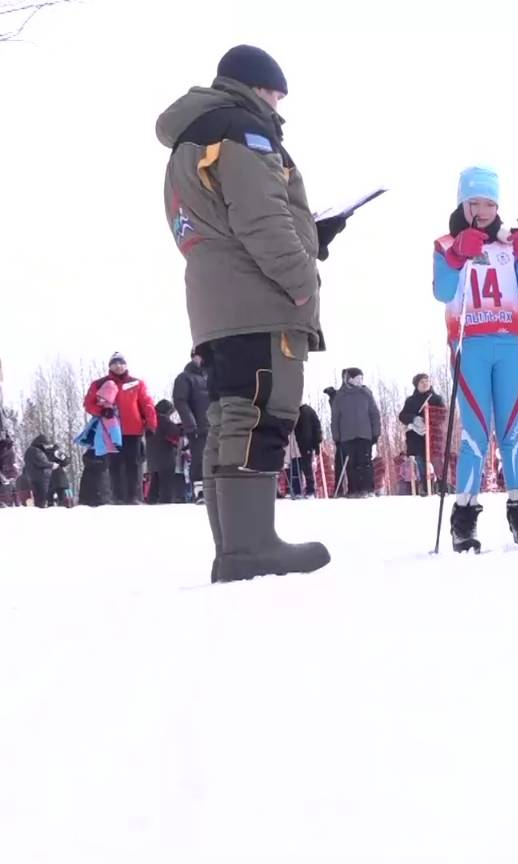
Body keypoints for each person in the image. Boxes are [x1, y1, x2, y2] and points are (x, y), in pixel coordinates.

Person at [157, 44, 340, 581]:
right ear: (254, 88)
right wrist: (304, 282)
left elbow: (222, 219)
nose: (278, 106)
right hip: (259, 300)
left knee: (230, 416)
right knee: (261, 414)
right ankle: (251, 548)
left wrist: (315, 235)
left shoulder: (194, 138)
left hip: (217, 300)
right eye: (274, 93)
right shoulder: (243, 132)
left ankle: (235, 546)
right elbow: (262, 220)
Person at [431, 166, 518, 550]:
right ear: (462, 203)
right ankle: (464, 517)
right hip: (470, 345)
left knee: (513, 430)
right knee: (476, 433)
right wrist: (456, 258)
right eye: (474, 202)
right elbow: (442, 291)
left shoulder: (509, 243)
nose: (481, 209)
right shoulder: (446, 243)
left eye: (489, 202)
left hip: (509, 343)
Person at [83, 353, 158, 504]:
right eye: (115, 363)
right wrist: (101, 411)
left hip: (133, 430)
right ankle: (117, 497)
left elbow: (147, 404)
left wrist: (151, 424)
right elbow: (88, 404)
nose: (118, 366)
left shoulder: (137, 383)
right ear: (110, 366)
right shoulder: (100, 384)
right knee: (114, 463)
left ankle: (133, 497)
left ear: (126, 365)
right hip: (111, 430)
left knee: (133, 463)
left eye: (121, 363)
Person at [330, 368, 380, 498]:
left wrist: (375, 433)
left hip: (365, 434)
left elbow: (374, 414)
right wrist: (337, 437)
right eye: (357, 378)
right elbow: (335, 418)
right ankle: (354, 489)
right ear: (349, 379)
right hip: (347, 437)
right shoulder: (340, 396)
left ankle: (368, 488)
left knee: (365, 462)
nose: (360, 381)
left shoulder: (366, 394)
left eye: (361, 378)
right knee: (351, 464)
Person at [173, 347, 211, 502]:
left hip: (215, 424)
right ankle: (200, 491)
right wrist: (190, 423)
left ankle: (218, 491)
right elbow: (180, 402)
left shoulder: (212, 377)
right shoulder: (184, 378)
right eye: (200, 356)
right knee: (200, 458)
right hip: (198, 426)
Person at [398, 373, 445, 496]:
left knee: (437, 461)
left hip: (433, 435)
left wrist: (429, 417)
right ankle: (425, 486)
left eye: (427, 381)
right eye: (422, 382)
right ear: (416, 385)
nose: (425, 384)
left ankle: (441, 485)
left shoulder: (436, 399)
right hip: (416, 437)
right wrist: (414, 419)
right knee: (420, 461)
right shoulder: (410, 401)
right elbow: (402, 416)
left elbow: (442, 415)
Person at [146, 399, 186, 504]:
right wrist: (182, 428)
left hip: (152, 457)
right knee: (166, 483)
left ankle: (151, 501)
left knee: (155, 482)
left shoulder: (150, 420)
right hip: (165, 456)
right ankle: (165, 503)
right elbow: (174, 432)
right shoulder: (163, 420)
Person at [293, 402, 322, 498]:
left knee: (306, 466)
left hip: (305, 442)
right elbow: (317, 426)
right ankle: (301, 490)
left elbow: (316, 426)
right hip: (301, 442)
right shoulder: (299, 411)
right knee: (300, 465)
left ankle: (310, 490)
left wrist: (317, 441)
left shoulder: (306, 411)